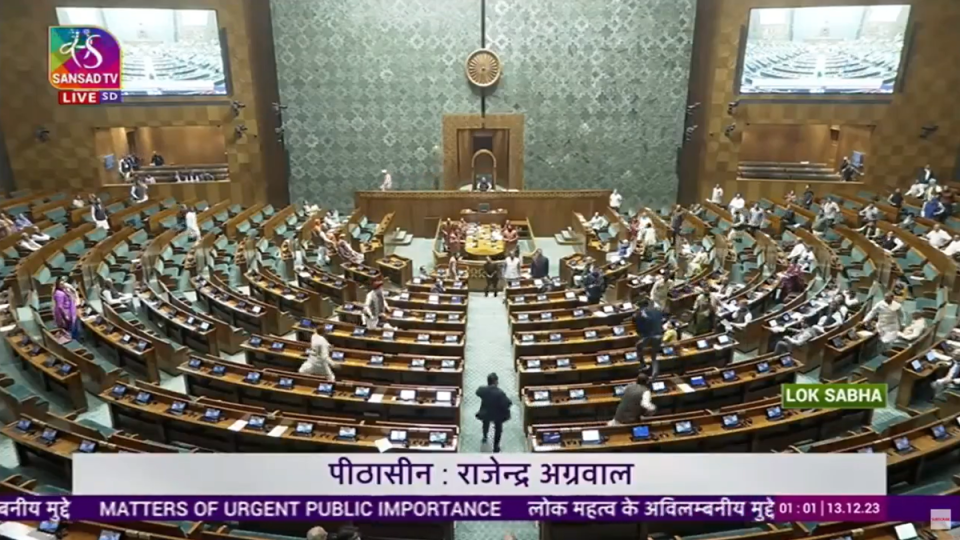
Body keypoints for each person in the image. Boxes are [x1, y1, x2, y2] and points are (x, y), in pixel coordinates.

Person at [475, 373, 512, 453]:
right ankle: (496, 446)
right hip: (497, 415)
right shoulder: (500, 393)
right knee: (498, 428)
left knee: (485, 422)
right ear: (495, 381)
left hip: (486, 413)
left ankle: (485, 435)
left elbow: (477, 392)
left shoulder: (483, 389)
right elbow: (508, 403)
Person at [634, 298, 664, 377]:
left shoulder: (640, 313)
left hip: (648, 336)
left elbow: (639, 328)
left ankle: (643, 364)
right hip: (659, 335)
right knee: (654, 356)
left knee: (638, 346)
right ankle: (655, 374)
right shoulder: (657, 311)